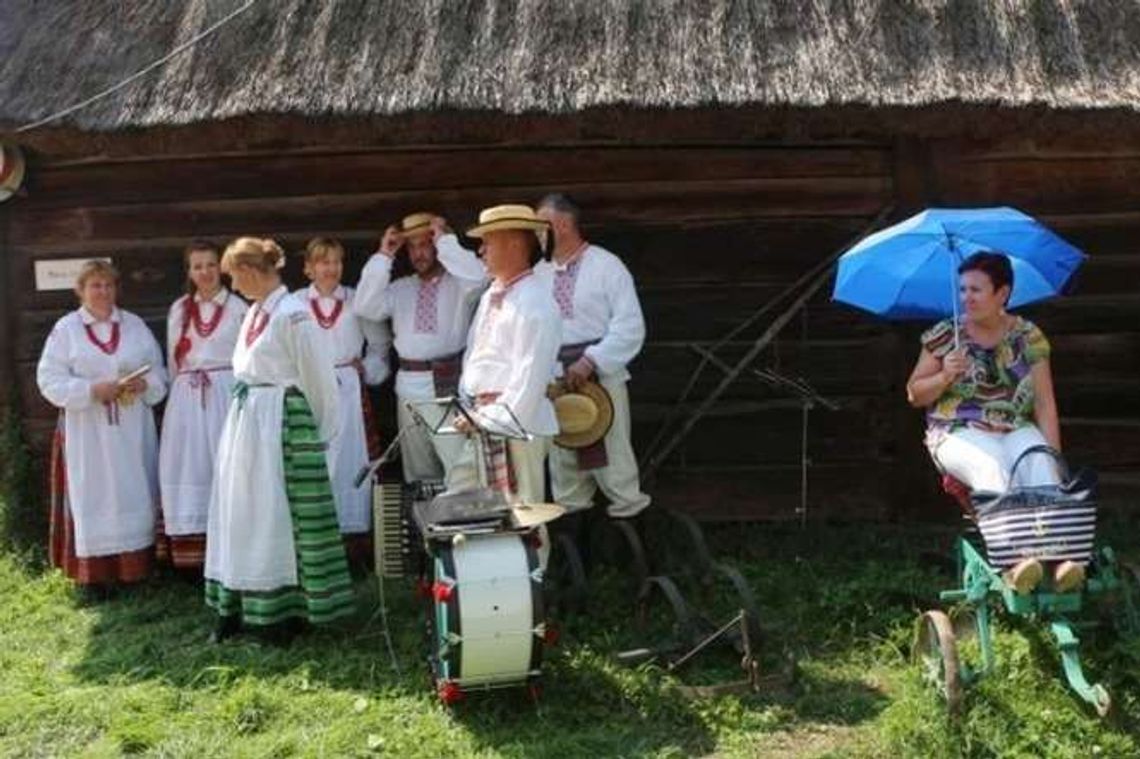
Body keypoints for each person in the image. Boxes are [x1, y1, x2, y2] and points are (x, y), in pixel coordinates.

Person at [204, 237, 353, 643]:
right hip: (248, 423)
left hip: (280, 423)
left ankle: (283, 613)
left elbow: (320, 381)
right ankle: (240, 604)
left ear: (251, 271)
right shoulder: (256, 313)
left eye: (235, 276)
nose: (234, 285)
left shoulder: (292, 314)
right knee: (243, 511)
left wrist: (316, 436)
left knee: (277, 515)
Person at [906, 250, 1080, 593]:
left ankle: (1058, 561)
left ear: (1002, 293)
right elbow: (914, 394)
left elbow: (1044, 403)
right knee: (992, 467)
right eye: (962, 289)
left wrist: (1055, 457)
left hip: (1013, 426)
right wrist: (944, 375)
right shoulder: (945, 335)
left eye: (976, 290)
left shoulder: (1027, 336)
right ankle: (1014, 563)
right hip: (956, 430)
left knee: (1039, 463)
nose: (966, 298)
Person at [37, 260, 167, 594]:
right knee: (93, 494)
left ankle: (136, 572)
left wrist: (144, 384)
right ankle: (95, 578)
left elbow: (159, 372)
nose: (103, 291)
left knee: (134, 488)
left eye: (108, 285)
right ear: (80, 290)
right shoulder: (66, 329)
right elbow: (48, 380)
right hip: (88, 431)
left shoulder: (134, 325)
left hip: (131, 428)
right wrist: (91, 390)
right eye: (95, 285)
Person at [536, 193, 651, 520]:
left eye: (540, 226)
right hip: (556, 383)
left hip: (601, 380)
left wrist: (591, 360)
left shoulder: (606, 266)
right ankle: (578, 548)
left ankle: (632, 544)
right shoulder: (538, 273)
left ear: (561, 224)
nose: (535, 234)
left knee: (616, 467)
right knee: (565, 473)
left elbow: (630, 325)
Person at [446, 205, 562, 521]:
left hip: (518, 427)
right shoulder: (492, 294)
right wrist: (469, 407)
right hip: (483, 420)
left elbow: (529, 379)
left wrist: (488, 419)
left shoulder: (536, 302)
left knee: (523, 517)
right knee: (457, 501)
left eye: (487, 242)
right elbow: (474, 354)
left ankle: (532, 558)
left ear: (513, 244)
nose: (480, 250)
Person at [353, 213, 486, 484]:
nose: (418, 253)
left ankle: (460, 513)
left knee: (459, 468)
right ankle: (423, 514)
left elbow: (480, 277)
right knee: (419, 472)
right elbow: (365, 305)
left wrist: (446, 241)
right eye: (412, 247)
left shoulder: (459, 284)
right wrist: (384, 255)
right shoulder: (401, 288)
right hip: (408, 386)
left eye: (425, 244)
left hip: (448, 382)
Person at [295, 237, 390, 573]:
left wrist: (366, 371)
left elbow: (379, 347)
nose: (331, 268)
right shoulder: (294, 304)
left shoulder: (356, 300)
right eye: (323, 262)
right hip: (310, 393)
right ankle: (316, 549)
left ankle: (355, 550)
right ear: (308, 268)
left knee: (352, 464)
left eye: (336, 261)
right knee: (316, 465)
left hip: (349, 395)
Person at [158, 241, 248, 572]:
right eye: (197, 266)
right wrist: (180, 392)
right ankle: (192, 558)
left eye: (210, 265)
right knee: (189, 465)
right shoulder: (180, 309)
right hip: (187, 396)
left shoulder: (238, 307)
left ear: (221, 268)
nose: (205, 272)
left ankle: (232, 552)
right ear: (189, 272)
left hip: (225, 391)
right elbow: (173, 360)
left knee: (226, 463)